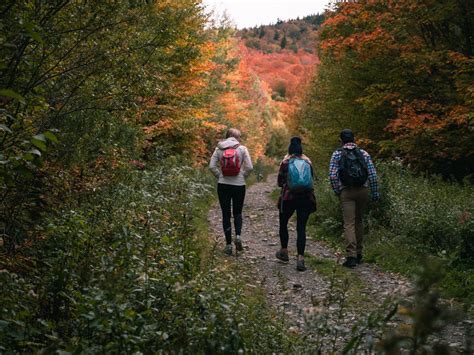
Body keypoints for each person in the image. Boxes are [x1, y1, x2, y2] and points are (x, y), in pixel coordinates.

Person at [329, 129, 379, 268]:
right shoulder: (363, 153)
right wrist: (375, 193)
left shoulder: (337, 154)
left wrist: (337, 191)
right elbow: (373, 175)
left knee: (349, 223)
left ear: (341, 140)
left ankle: (351, 257)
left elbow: (333, 176)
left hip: (347, 191)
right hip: (363, 190)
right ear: (354, 139)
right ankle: (359, 254)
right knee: (359, 221)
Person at [275, 137, 317, 271]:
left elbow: (280, 181)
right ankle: (300, 258)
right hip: (305, 197)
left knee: (283, 223)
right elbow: (312, 179)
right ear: (301, 149)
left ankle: (284, 251)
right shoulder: (307, 161)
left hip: (289, 197)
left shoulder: (286, 162)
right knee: (301, 228)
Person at [209, 128, 253, 255]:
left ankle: (228, 245)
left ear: (226, 136)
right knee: (238, 212)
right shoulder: (242, 149)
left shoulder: (219, 148)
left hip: (223, 185)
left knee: (226, 214)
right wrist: (242, 177)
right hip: (239, 185)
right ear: (237, 137)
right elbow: (249, 167)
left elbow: (211, 166)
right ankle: (238, 236)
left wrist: (220, 176)